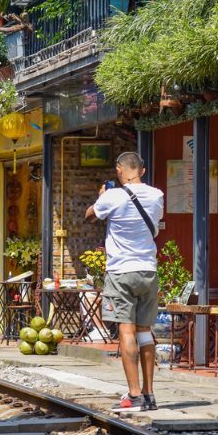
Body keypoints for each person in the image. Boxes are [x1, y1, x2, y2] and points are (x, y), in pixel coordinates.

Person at [85, 151, 164, 412]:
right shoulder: (156, 195)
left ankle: (134, 395)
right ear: (142, 170)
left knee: (126, 331)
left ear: (119, 170)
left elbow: (90, 215)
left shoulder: (112, 196)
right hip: (148, 271)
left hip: (121, 272)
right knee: (145, 332)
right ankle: (150, 395)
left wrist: (100, 197)